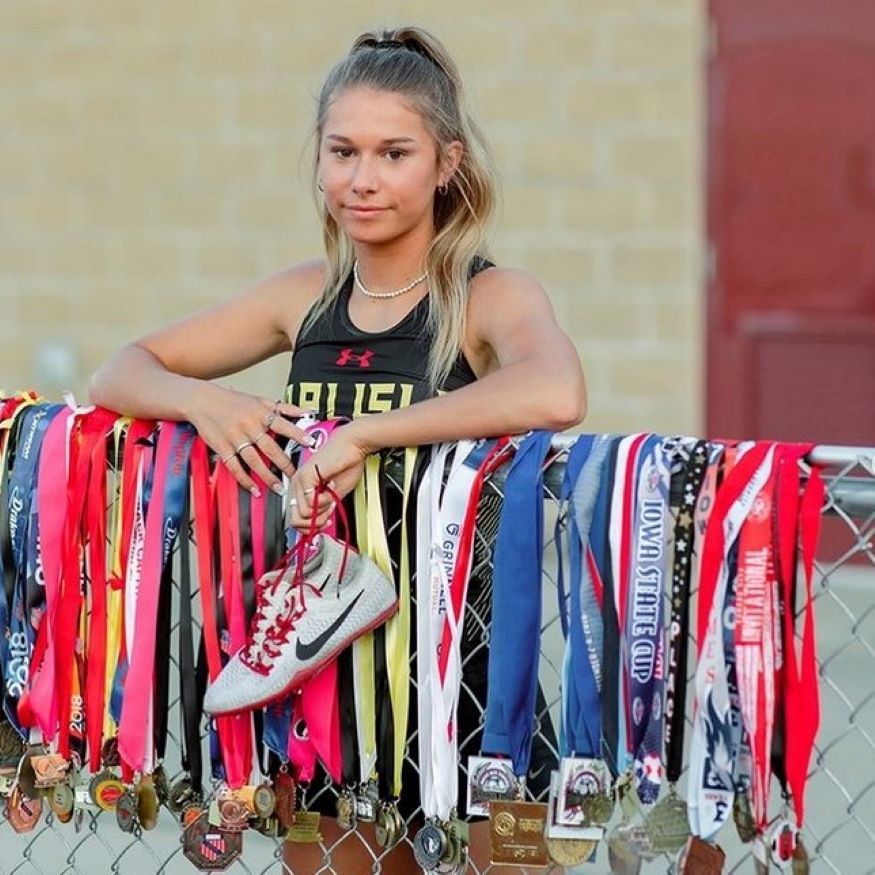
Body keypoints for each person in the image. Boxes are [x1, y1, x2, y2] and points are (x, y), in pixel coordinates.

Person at [90, 24, 586, 875]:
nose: (362, 178)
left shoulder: (487, 295)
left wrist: (362, 432)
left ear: (447, 162)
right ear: (317, 162)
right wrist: (202, 400)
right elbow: (120, 369)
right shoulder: (302, 299)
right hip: (326, 672)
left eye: (394, 153)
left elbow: (555, 392)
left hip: (460, 665)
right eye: (342, 151)